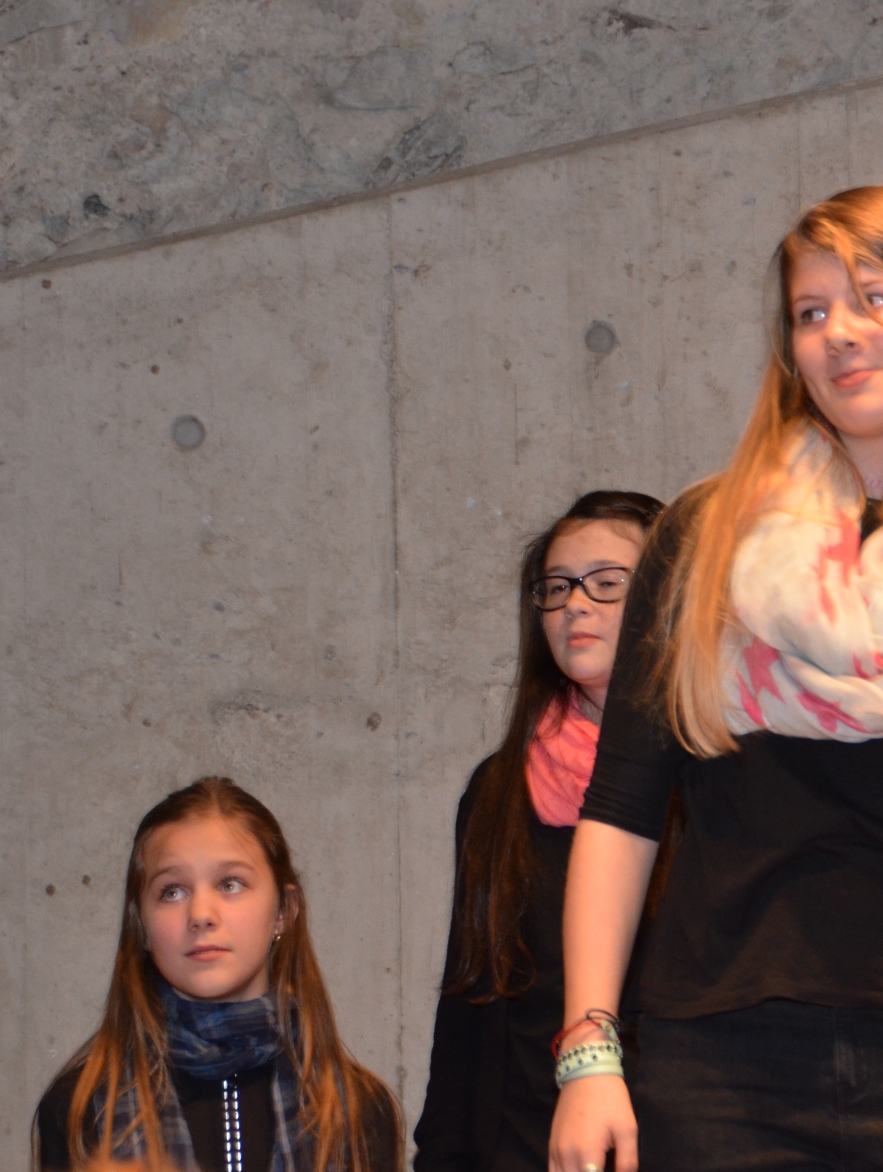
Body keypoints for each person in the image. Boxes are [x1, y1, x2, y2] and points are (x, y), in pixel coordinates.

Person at [548, 185, 883, 1172]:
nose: (840, 333)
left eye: (875, 298)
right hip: (712, 1061)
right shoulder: (703, 537)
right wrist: (589, 1053)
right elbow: (622, 805)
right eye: (811, 312)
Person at [413, 490, 665, 1172]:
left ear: (672, 598)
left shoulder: (717, 778)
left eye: (607, 583)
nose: (575, 605)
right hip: (528, 1146)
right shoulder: (501, 788)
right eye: (556, 588)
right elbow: (470, 1000)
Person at [33, 777, 400, 1172]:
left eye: (230, 884)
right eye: (172, 891)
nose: (201, 915)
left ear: (283, 910)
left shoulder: (359, 1109)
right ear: (142, 926)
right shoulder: (79, 1108)